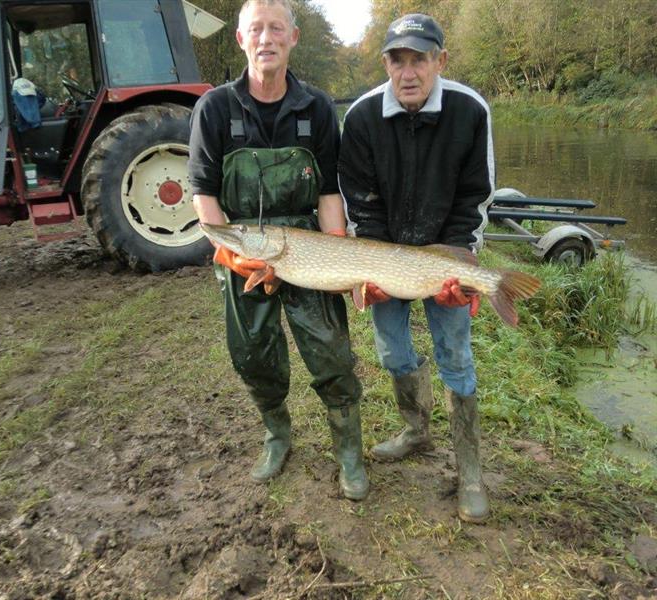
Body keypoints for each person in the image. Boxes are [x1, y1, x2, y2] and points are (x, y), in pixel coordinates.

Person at [189, 0, 368, 500]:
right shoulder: (215, 109)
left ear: (293, 37)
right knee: (253, 355)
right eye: (255, 30)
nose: (265, 38)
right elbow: (204, 194)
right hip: (243, 245)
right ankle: (277, 434)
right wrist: (233, 254)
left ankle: (349, 452)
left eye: (275, 28)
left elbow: (328, 193)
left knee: (332, 353)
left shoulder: (317, 108)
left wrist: (340, 256)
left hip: (306, 242)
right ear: (241, 40)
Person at [338, 13, 494, 522]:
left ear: (440, 61)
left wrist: (460, 261)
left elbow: (474, 196)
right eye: (397, 60)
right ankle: (417, 429)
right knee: (392, 350)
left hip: (444, 255)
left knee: (456, 356)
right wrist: (372, 262)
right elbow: (359, 201)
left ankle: (469, 470)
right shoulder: (361, 117)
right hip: (384, 254)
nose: (408, 73)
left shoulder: (469, 110)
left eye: (419, 60)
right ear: (385, 63)